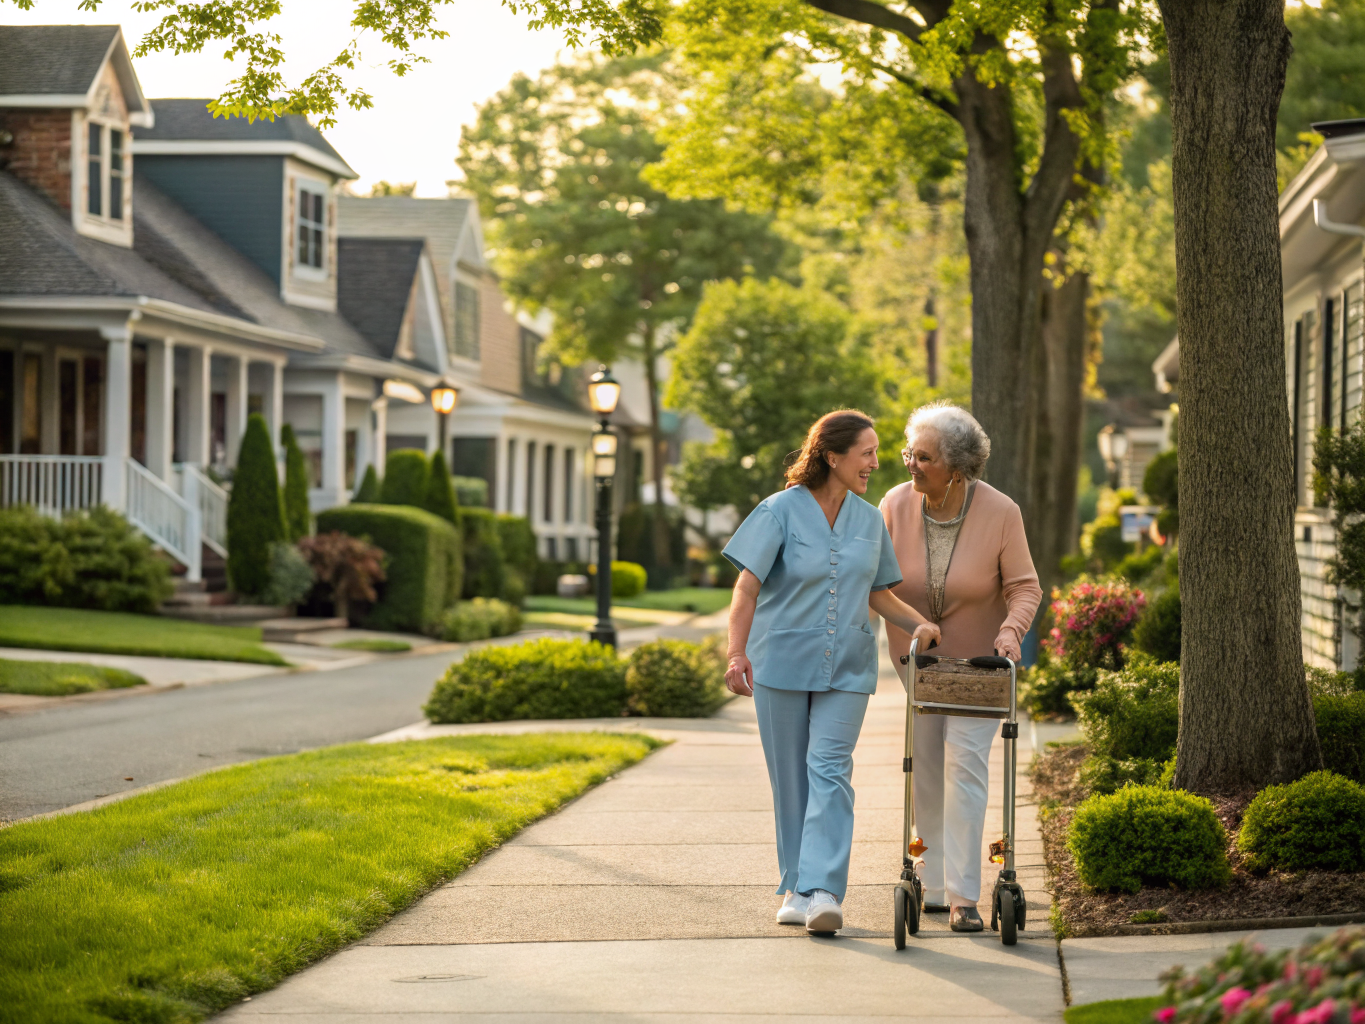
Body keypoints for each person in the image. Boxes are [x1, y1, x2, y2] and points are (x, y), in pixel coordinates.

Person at [723, 409, 942, 935]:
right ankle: (796, 888)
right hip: (779, 663)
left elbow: (878, 593)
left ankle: (823, 890)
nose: (876, 463)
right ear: (832, 456)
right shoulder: (778, 511)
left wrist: (918, 623)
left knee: (829, 768)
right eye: (866, 453)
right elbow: (747, 587)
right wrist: (736, 653)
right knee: (791, 779)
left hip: (846, 666)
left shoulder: (868, 520)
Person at [879, 402, 1042, 932]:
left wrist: (1011, 631)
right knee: (925, 770)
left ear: (957, 466)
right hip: (919, 666)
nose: (911, 464)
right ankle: (930, 879)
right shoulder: (894, 505)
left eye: (924, 457)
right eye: (909, 453)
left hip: (980, 668)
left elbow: (1025, 587)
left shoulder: (1001, 511)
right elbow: (875, 581)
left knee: (965, 768)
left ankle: (964, 896)